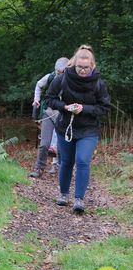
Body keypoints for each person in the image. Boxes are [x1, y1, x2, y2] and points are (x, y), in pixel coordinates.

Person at [45, 45, 110, 213]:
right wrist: (65, 107)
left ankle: (79, 199)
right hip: (65, 127)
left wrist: (84, 109)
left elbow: (104, 107)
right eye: (79, 67)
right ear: (74, 64)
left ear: (92, 66)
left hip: (88, 130)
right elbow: (49, 99)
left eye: (86, 67)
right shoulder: (63, 78)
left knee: (82, 161)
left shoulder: (98, 83)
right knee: (66, 162)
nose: (82, 70)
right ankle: (63, 194)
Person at [29, 57, 69, 178]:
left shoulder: (72, 80)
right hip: (49, 112)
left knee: (62, 144)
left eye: (61, 72)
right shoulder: (50, 77)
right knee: (44, 143)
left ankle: (62, 169)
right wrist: (36, 99)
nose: (59, 74)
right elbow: (39, 85)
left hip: (63, 114)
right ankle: (39, 168)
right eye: (57, 71)